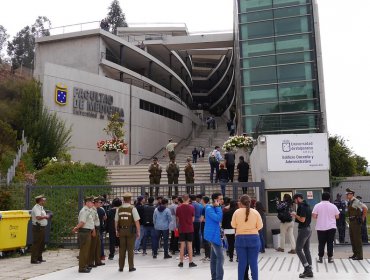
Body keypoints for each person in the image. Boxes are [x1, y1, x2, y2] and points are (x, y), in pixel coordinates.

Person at [231, 194, 263, 280]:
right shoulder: (255, 212)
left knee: (242, 262)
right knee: (253, 263)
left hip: (240, 238)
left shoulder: (236, 212)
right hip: (254, 238)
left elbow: (233, 225)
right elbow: (260, 226)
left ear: (240, 203)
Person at [115, 192, 140, 272]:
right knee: (130, 249)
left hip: (121, 230)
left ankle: (121, 267)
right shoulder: (133, 208)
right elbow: (137, 221)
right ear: (130, 199)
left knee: (122, 249)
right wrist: (138, 231)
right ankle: (131, 267)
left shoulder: (119, 208)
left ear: (123, 200)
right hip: (130, 231)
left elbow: (116, 221)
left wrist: (116, 230)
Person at [312, 192, 339, 263]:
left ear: (322, 197)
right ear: (329, 198)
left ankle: (320, 258)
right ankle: (330, 258)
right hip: (331, 227)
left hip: (320, 227)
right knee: (330, 243)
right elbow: (337, 216)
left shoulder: (317, 205)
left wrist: (320, 216)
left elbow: (314, 216)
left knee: (321, 243)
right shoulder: (333, 206)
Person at [292, 193, 313, 278]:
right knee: (306, 250)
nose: (295, 202)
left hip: (303, 230)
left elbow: (302, 219)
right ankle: (310, 270)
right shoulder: (307, 205)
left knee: (298, 249)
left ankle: (307, 268)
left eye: (295, 200)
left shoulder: (302, 206)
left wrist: (294, 215)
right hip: (308, 229)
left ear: (298, 198)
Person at [72, 196, 95, 273]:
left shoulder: (88, 210)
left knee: (86, 250)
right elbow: (82, 222)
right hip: (84, 232)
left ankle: (85, 266)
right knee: (84, 251)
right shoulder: (84, 211)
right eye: (92, 202)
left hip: (87, 232)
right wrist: (76, 228)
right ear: (87, 203)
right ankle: (82, 268)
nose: (93, 203)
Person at [205, 193, 224, 280]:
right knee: (220, 257)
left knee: (214, 258)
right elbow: (218, 218)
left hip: (214, 234)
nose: (222, 200)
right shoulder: (209, 208)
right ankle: (218, 278)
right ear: (215, 200)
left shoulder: (213, 208)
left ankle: (214, 277)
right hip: (213, 235)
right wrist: (218, 207)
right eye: (220, 199)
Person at [346, 188, 368, 260]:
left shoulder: (356, 201)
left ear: (351, 194)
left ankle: (359, 256)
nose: (346, 195)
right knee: (352, 238)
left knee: (357, 239)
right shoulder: (350, 201)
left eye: (348, 194)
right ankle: (355, 253)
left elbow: (365, 208)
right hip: (351, 221)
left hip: (355, 222)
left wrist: (363, 217)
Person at [176, 194, 197, 268]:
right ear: (188, 199)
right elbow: (193, 219)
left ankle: (181, 262)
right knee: (190, 245)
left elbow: (177, 220)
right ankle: (190, 262)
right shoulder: (191, 207)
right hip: (189, 228)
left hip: (182, 228)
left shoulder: (178, 208)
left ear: (182, 199)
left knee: (182, 246)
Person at [31, 194, 50, 264]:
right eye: (43, 200)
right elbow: (38, 217)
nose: (44, 201)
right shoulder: (36, 208)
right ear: (40, 201)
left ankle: (39, 258)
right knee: (36, 243)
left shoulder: (41, 207)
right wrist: (46, 217)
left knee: (41, 243)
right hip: (38, 228)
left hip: (42, 228)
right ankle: (34, 259)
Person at [89, 197, 105, 267]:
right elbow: (91, 221)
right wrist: (94, 230)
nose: (100, 203)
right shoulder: (92, 210)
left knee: (98, 246)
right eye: (99, 202)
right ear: (95, 203)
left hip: (98, 229)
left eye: (101, 202)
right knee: (93, 247)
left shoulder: (96, 209)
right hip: (94, 229)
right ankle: (91, 262)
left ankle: (98, 261)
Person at [200, 196, 211, 262]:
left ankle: (208, 256)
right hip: (208, 225)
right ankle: (207, 256)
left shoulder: (204, 208)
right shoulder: (210, 207)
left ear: (203, 200)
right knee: (207, 241)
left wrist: (202, 219)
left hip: (204, 226)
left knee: (206, 241)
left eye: (201, 200)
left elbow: (202, 219)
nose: (201, 201)